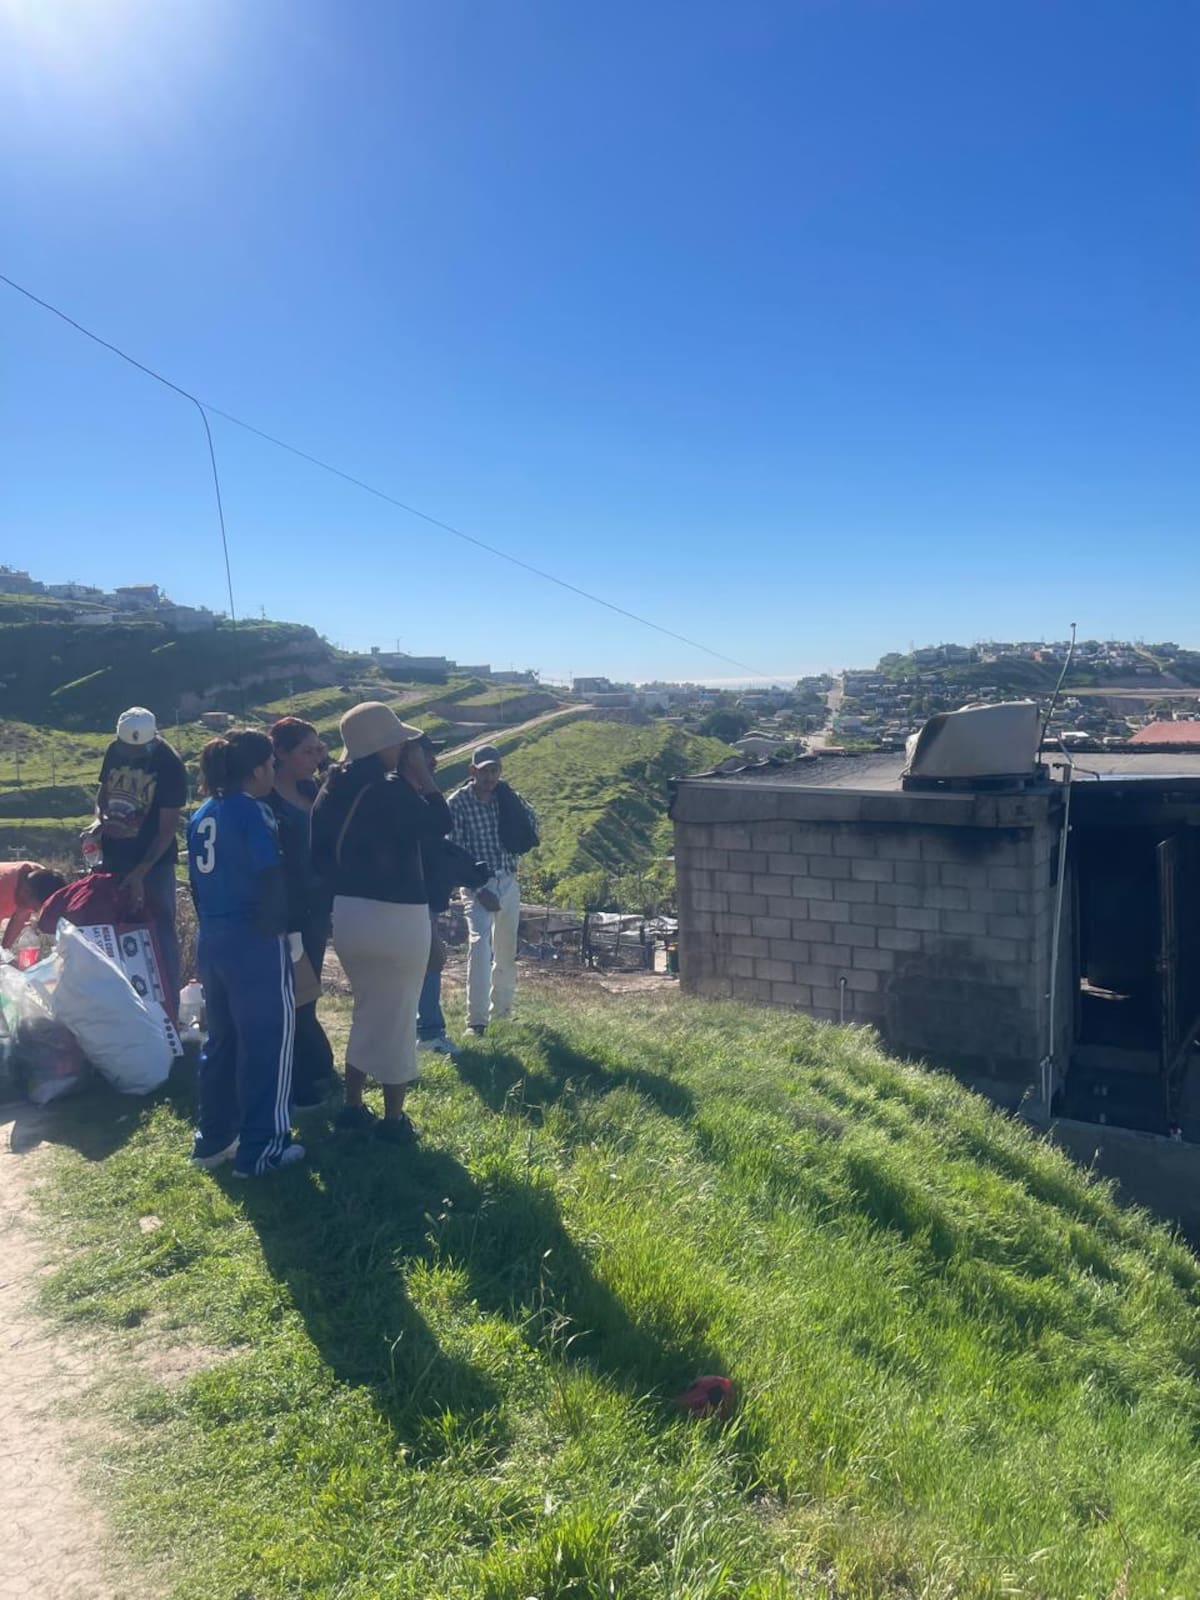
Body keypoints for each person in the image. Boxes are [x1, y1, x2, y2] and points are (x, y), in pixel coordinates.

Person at [311, 702, 450, 1145]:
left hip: (349, 915)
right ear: (384, 744)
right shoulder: (390, 789)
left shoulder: (330, 788)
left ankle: (353, 1106)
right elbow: (440, 822)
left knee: (368, 1009)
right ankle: (393, 1120)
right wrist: (422, 778)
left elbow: (318, 853)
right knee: (397, 1020)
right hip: (398, 917)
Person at [187, 729, 302, 1177]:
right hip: (254, 939)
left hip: (212, 938)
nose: (275, 771)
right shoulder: (254, 812)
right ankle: (263, 1149)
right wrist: (280, 930)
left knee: (221, 1041)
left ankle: (213, 1138)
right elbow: (270, 873)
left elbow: (197, 883)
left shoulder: (201, 814)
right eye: (272, 764)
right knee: (268, 1043)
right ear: (257, 769)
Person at [95, 706, 188, 1013]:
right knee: (110, 929)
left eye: (138, 750)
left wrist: (139, 873)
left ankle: (169, 1010)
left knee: (160, 932)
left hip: (153, 865)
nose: (131, 754)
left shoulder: (169, 764)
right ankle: (121, 1008)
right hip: (114, 858)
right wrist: (99, 822)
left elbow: (166, 831)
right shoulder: (114, 749)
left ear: (151, 741)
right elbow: (103, 793)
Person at [448, 744, 539, 1036]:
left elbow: (531, 823)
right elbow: (454, 849)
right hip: (478, 884)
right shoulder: (459, 803)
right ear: (472, 771)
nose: (489, 776)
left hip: (508, 880)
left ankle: (501, 1011)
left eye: (494, 770)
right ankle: (476, 1021)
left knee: (505, 949)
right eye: (484, 770)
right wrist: (476, 887)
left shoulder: (508, 797)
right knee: (479, 945)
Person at [268, 717, 336, 1110]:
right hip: (286, 910)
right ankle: (302, 1077)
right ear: (280, 753)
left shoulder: (313, 790)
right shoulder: (267, 801)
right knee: (292, 995)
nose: (315, 757)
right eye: (307, 751)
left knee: (307, 994)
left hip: (316, 908)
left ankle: (313, 1069)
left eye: (318, 750)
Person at [416, 736, 490, 1058]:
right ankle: (428, 1033)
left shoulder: (412, 795)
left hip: (423, 896)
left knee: (430, 960)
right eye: (428, 759)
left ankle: (422, 1031)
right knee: (430, 961)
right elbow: (440, 831)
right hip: (414, 897)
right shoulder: (412, 796)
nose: (433, 765)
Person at [0, 862, 67, 951]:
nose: (30, 911)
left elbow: (20, 916)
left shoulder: (40, 877)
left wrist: (5, 951)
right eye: (34, 908)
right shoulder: (3, 890)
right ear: (27, 892)